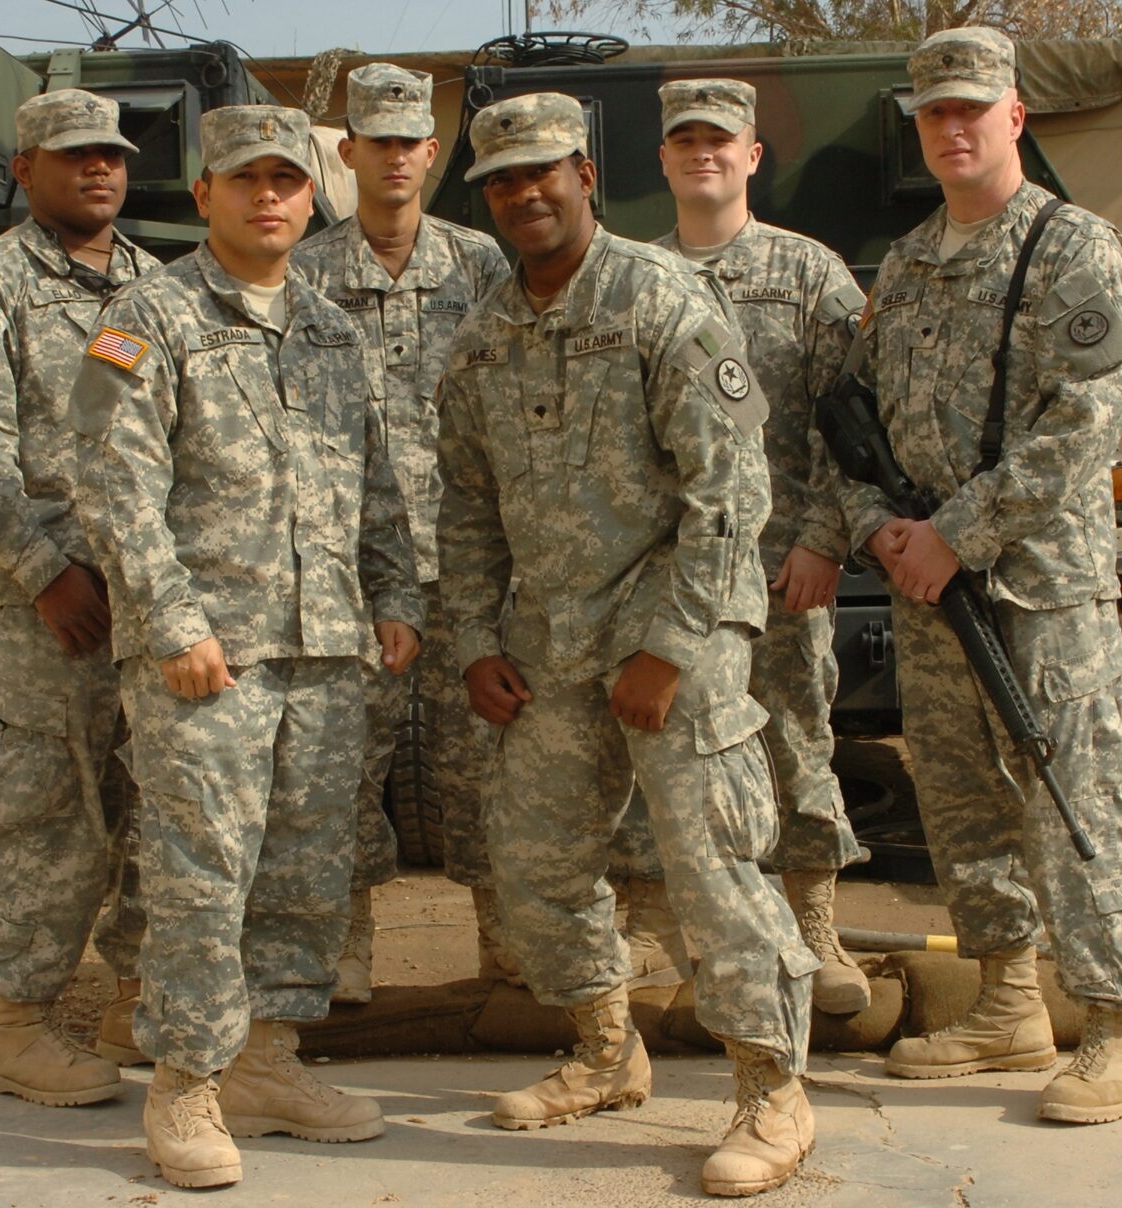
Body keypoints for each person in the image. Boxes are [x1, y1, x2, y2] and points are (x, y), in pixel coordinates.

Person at [437, 91, 820, 1197]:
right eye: (502, 181)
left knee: (711, 869)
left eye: (543, 171)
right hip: (544, 642)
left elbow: (728, 488)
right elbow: (463, 509)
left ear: (585, 175)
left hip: (671, 631)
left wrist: (671, 641)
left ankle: (770, 1088)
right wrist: (471, 640)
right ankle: (606, 1052)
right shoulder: (480, 336)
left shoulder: (661, 298)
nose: (524, 193)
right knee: (538, 862)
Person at [71, 105, 424, 1188]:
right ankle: (185, 1081)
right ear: (205, 195)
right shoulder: (151, 314)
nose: (268, 196)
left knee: (305, 871)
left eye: (286, 180)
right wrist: (174, 623)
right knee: (198, 875)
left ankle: (269, 1061)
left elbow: (371, 477)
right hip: (206, 657)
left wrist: (394, 592)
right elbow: (112, 480)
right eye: (245, 180)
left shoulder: (326, 325)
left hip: (324, 651)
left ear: (314, 196)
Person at [842, 26, 1122, 1123]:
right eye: (933, 112)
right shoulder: (908, 262)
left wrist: (956, 529)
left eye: (972, 107)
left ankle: (1104, 1019)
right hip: (923, 586)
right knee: (960, 802)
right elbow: (852, 420)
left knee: (1071, 796)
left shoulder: (1072, 249)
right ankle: (1007, 1003)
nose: (951, 127)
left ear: (1015, 115)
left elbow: (1088, 419)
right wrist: (877, 529)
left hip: (1037, 585)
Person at [0, 89, 156, 1107]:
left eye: (109, 154)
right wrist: (49, 573)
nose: (96, 170)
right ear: (25, 171)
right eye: (71, 157)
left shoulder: (158, 286)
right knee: (49, 812)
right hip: (34, 612)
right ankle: (19, 1026)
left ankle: (136, 1002)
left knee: (151, 802)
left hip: (145, 596)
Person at [649, 78, 871, 1014]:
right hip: (674, 577)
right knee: (675, 757)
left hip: (785, 571)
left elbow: (852, 423)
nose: (704, 152)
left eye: (722, 139)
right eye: (686, 138)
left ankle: (815, 929)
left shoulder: (810, 274)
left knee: (799, 746)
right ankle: (695, 942)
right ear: (662, 159)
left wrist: (823, 540)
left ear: (752, 155)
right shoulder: (634, 276)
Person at [293, 63, 514, 1000]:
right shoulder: (303, 273)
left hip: (469, 569)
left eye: (408, 142)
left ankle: (507, 944)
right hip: (346, 572)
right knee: (344, 770)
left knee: (484, 771)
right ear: (347, 154)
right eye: (373, 142)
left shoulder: (481, 265)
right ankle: (344, 950)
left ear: (433, 152)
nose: (393, 158)